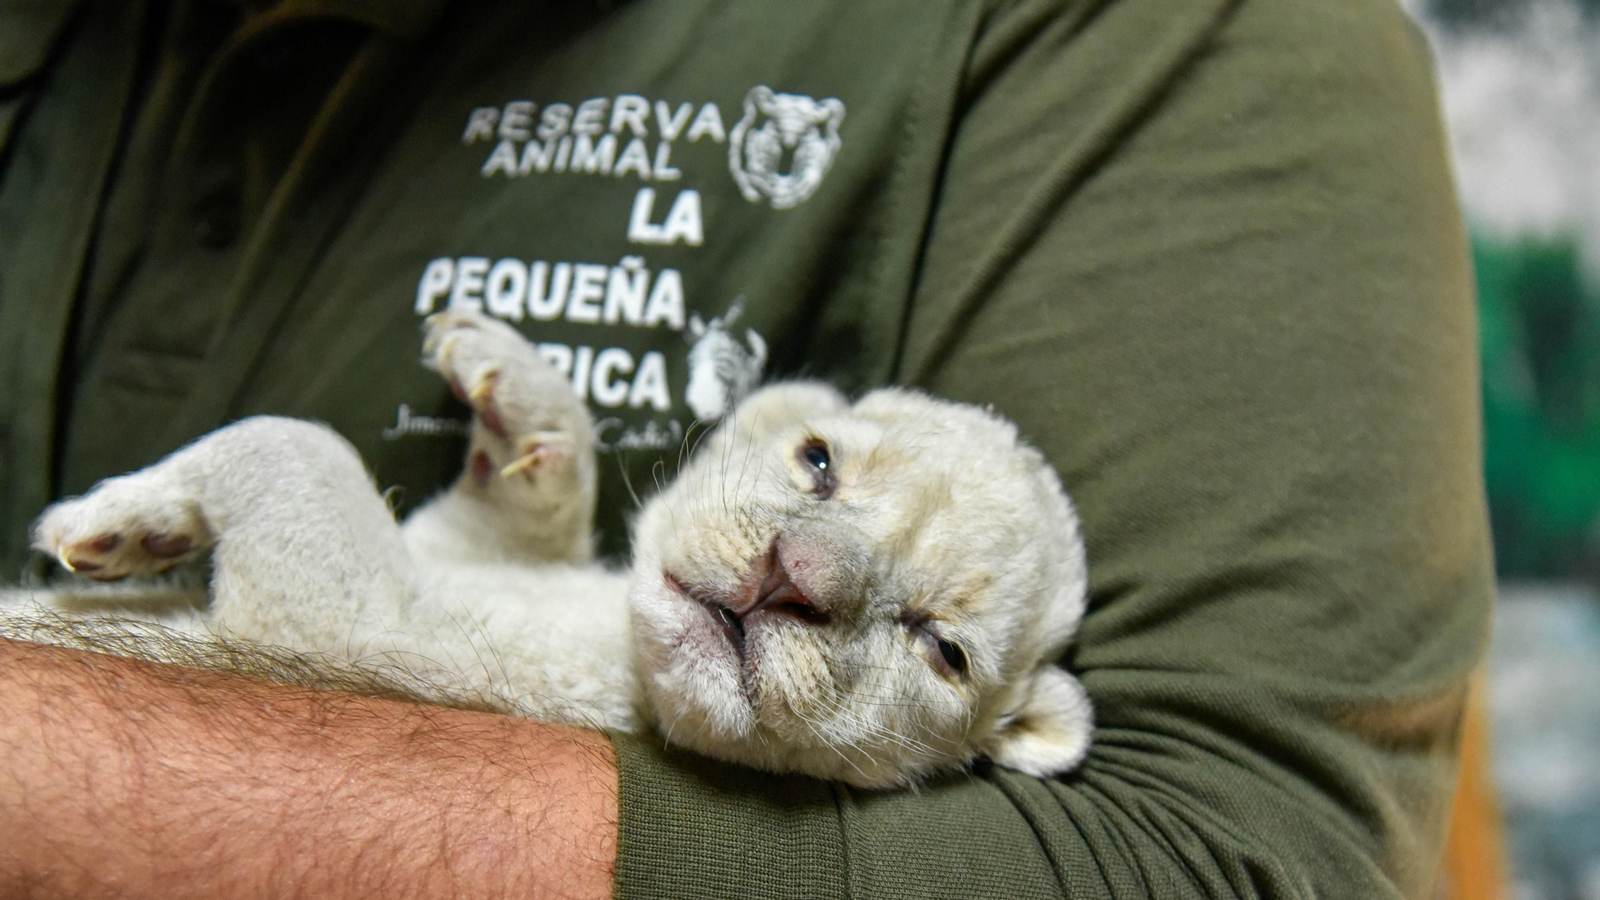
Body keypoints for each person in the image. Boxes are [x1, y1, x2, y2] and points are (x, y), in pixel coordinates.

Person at [0, 0, 1493, 896]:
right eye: (819, 480)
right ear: (773, 432)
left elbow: (1215, 861)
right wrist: (520, 525)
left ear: (1018, 727)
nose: (804, 569)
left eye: (951, 657)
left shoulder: (1175, 50)